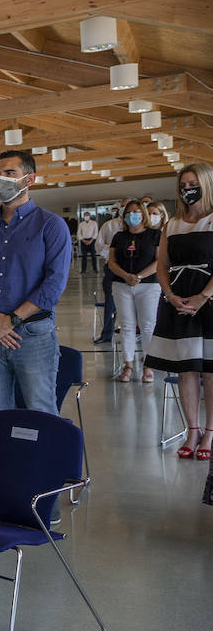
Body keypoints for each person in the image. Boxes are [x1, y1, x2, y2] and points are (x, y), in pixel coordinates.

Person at [0, 150, 70, 514]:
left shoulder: (50, 225)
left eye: (9, 172)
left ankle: (44, 494)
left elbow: (53, 285)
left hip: (31, 334)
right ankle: (3, 489)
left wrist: (9, 320)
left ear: (29, 178)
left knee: (40, 413)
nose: (1, 179)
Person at [147, 163, 213, 460]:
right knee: (186, 369)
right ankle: (192, 429)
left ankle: (210, 433)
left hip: (208, 300)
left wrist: (204, 296)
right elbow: (162, 265)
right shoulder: (171, 224)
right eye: (183, 184)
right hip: (178, 299)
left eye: (193, 183)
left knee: (210, 371)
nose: (188, 189)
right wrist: (170, 294)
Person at [108, 200, 161, 383]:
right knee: (127, 326)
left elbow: (159, 261)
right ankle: (128, 364)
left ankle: (148, 364)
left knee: (147, 325)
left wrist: (138, 277)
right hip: (122, 285)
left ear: (144, 214)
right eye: (129, 212)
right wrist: (126, 276)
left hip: (148, 285)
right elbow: (112, 262)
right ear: (124, 216)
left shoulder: (155, 235)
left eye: (137, 211)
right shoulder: (119, 237)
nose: (133, 215)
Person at [94, 208, 123, 343]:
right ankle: (107, 334)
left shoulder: (143, 227)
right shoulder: (109, 225)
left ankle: (136, 332)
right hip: (112, 267)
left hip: (136, 270)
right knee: (110, 302)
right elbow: (99, 246)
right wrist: (113, 251)